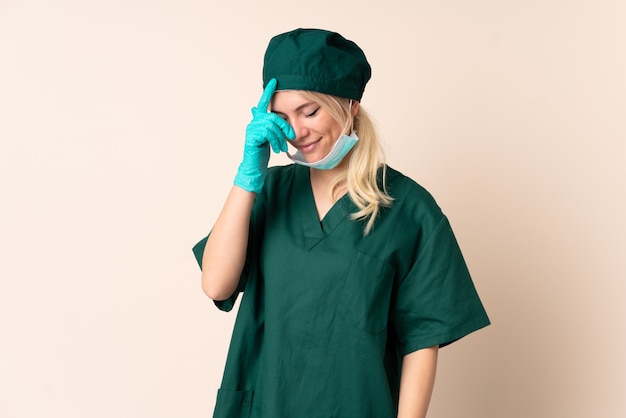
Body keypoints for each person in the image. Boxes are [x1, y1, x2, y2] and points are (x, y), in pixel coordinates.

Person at [193, 28, 490, 418]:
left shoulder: (409, 209)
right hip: (265, 405)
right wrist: (248, 176)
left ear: (349, 105)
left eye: (309, 111)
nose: (297, 132)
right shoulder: (270, 191)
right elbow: (216, 284)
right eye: (282, 116)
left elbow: (422, 340)